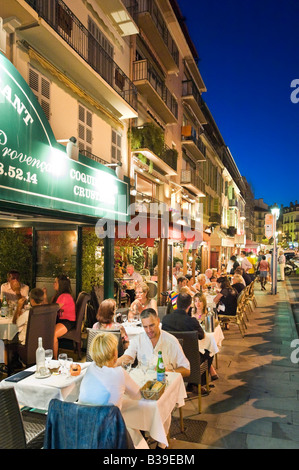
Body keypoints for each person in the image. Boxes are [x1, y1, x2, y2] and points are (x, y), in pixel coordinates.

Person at [78, 332, 145, 449]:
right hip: (109, 435)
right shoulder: (119, 373)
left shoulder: (90, 368)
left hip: (83, 431)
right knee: (135, 431)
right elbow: (138, 395)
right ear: (114, 354)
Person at [162, 293, 218, 392]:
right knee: (209, 353)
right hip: (190, 361)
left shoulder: (166, 319)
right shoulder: (191, 321)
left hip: (170, 358)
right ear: (189, 306)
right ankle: (196, 383)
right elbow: (202, 336)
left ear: (176, 304)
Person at [116, 308, 190, 378]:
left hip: (165, 381)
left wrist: (169, 372)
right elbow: (127, 357)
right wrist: (112, 364)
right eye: (145, 327)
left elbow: (186, 370)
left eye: (151, 325)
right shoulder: (138, 339)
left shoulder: (171, 341)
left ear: (158, 321)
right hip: (142, 381)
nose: (149, 330)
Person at [44, 275, 76, 359]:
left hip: (68, 321)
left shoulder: (64, 296)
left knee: (52, 334)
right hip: (61, 320)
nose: (53, 284)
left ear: (61, 284)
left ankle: (55, 359)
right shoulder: (58, 295)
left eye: (55, 282)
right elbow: (50, 307)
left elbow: (52, 309)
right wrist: (45, 295)